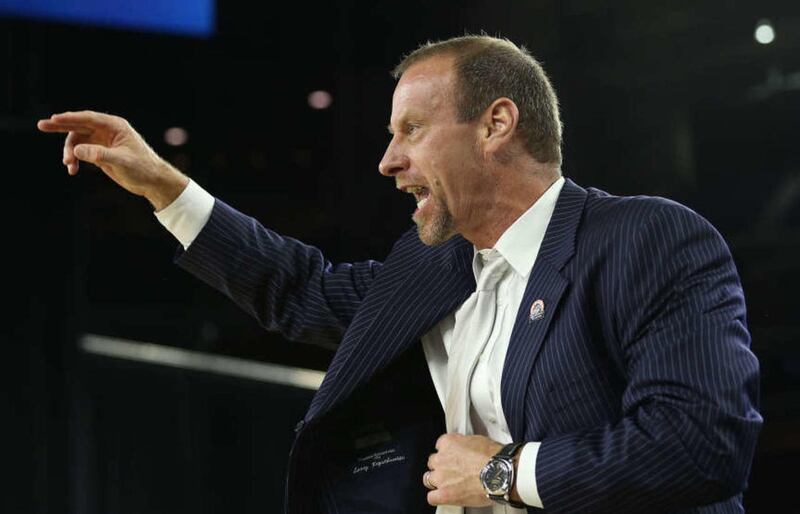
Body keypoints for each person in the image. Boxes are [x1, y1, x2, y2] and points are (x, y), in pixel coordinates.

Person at [38, 35, 761, 514]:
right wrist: (164, 186)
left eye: (410, 130)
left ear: (496, 124)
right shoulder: (432, 264)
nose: (388, 160)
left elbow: (702, 444)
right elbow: (301, 290)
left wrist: (503, 474)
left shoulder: (649, 238)